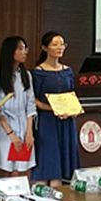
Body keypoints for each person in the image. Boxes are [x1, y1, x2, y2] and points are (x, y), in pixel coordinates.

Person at [31, 31, 80, 186]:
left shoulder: (67, 71)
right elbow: (33, 100)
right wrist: (53, 109)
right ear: (45, 48)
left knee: (64, 164)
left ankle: (60, 192)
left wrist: (73, 110)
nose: (60, 47)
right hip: (47, 122)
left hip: (66, 121)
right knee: (48, 160)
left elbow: (71, 95)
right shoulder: (38, 72)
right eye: (55, 44)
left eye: (62, 44)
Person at [0, 36, 36, 176]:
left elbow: (30, 105)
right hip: (5, 129)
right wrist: (11, 134)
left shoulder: (26, 75)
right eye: (20, 49)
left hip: (24, 127)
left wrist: (29, 133)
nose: (24, 52)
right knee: (5, 171)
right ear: (10, 51)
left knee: (20, 172)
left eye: (25, 48)